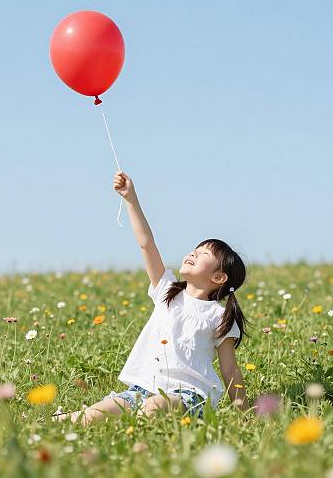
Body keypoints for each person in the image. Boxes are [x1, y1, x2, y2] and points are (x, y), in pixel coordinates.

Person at [52, 170, 251, 426]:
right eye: (194, 250)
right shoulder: (167, 291)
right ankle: (42, 424)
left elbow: (230, 370)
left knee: (154, 407)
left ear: (219, 277)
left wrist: (244, 416)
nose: (192, 254)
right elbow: (147, 244)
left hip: (189, 395)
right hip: (143, 388)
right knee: (90, 416)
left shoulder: (219, 316)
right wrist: (131, 199)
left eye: (202, 254)